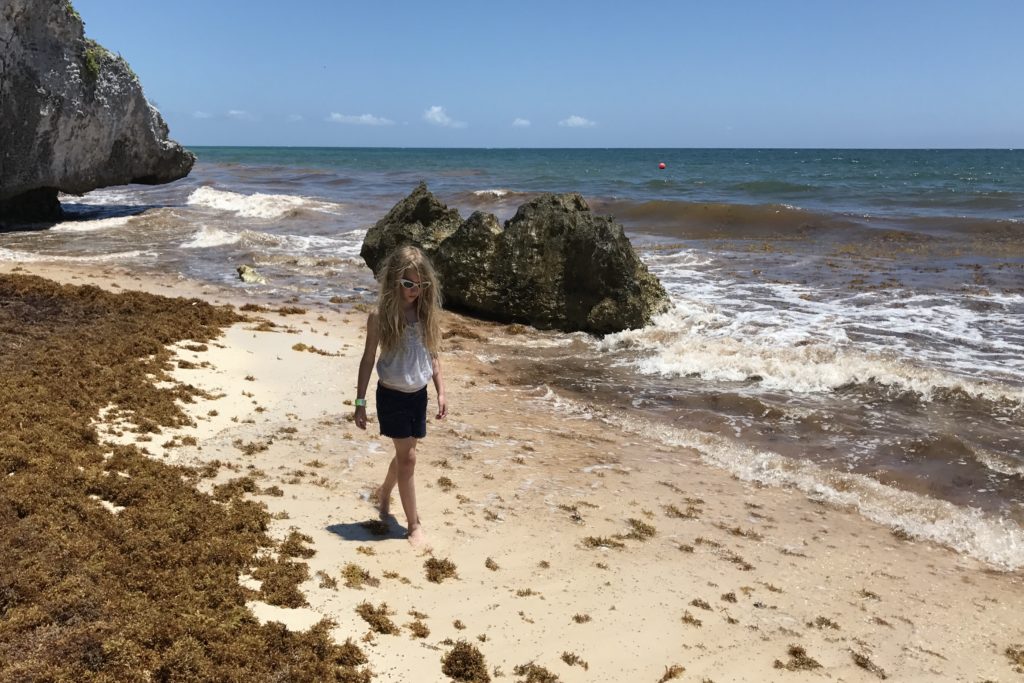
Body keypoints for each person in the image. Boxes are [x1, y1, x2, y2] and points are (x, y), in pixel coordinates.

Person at [354, 245, 447, 548]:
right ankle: (414, 525)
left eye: (420, 285)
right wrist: (360, 402)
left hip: (418, 395)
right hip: (391, 396)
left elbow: (433, 355)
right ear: (394, 281)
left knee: (405, 456)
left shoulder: (425, 313)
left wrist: (441, 391)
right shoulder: (380, 316)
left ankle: (384, 493)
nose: (414, 291)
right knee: (409, 459)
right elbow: (368, 359)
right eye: (408, 284)